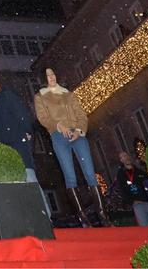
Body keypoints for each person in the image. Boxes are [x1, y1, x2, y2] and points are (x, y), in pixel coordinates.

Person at [34, 67, 104, 226]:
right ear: (43, 79)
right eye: (47, 75)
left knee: (90, 174)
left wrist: (79, 130)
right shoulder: (40, 97)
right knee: (70, 176)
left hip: (77, 134)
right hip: (58, 135)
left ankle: (102, 215)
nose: (51, 76)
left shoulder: (68, 94)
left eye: (52, 73)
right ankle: (82, 217)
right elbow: (43, 118)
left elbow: (81, 114)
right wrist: (59, 126)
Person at [0, 72, 40, 184]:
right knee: (21, 183)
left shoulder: (7, 96)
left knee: (29, 180)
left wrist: (27, 131)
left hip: (17, 146)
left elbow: (22, 114)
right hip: (10, 150)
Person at [115, 150, 148, 227]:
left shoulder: (140, 171)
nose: (125, 158)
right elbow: (122, 190)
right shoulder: (121, 175)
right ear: (121, 160)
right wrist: (131, 201)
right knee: (145, 226)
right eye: (123, 157)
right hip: (137, 204)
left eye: (126, 155)